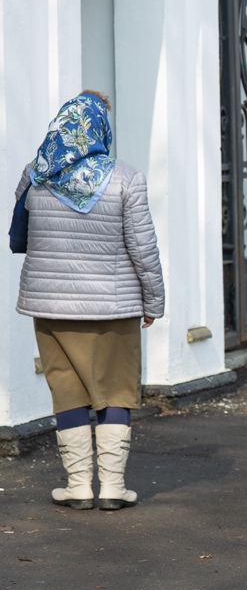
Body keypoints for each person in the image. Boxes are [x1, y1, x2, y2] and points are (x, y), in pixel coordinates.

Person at [14, 91, 164, 511]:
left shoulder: (36, 174)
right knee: (116, 391)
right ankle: (113, 487)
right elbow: (143, 247)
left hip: (51, 307)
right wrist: (154, 300)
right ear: (101, 129)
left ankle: (79, 486)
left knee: (68, 392)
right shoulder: (125, 178)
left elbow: (20, 234)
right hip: (112, 307)